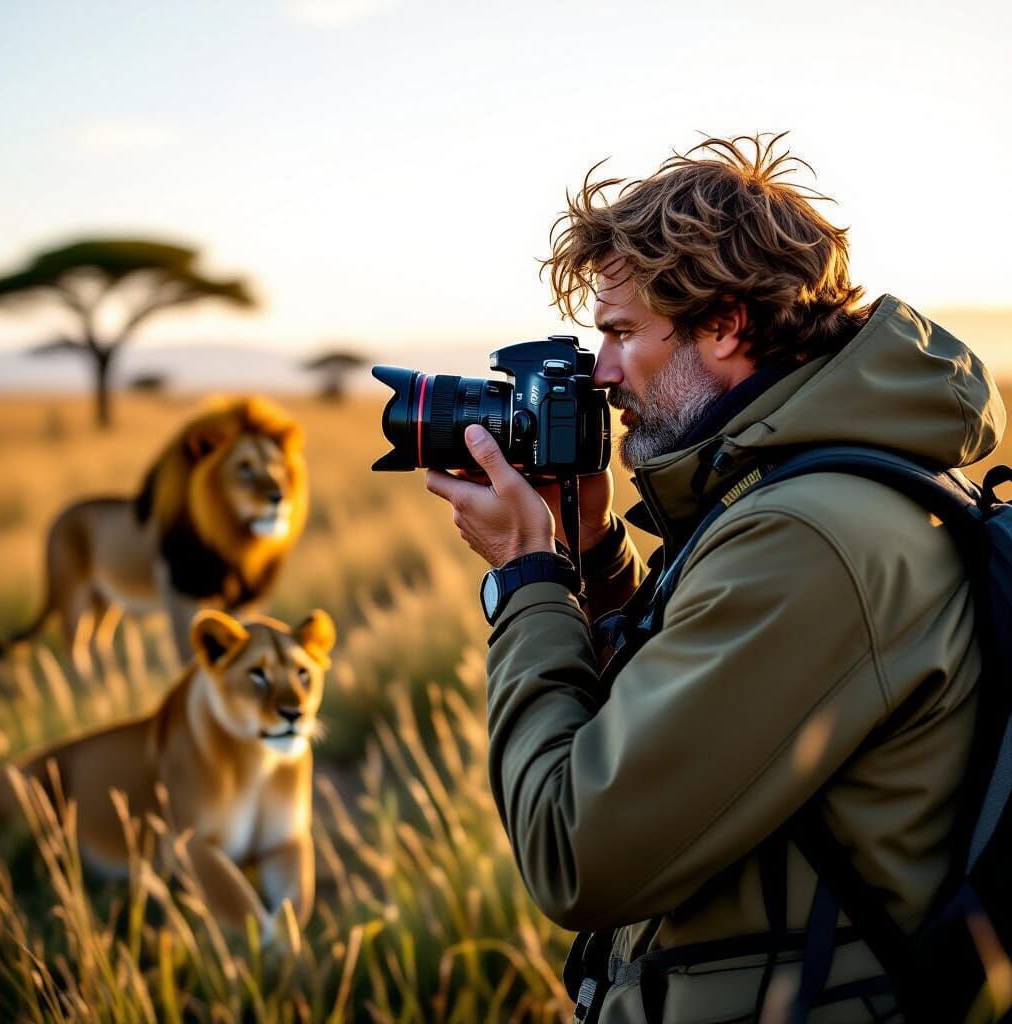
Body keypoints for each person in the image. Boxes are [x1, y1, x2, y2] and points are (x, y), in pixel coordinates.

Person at [424, 134, 1006, 1022]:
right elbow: (699, 718)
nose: (604, 372)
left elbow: (575, 853)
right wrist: (598, 558)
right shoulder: (825, 489)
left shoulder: (807, 535)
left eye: (621, 333)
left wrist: (525, 577)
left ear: (725, 323)